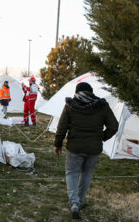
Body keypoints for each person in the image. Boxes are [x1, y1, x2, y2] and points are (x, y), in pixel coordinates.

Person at [54, 82, 118, 219]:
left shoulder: (70, 106)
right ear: (91, 92)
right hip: (94, 148)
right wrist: (101, 138)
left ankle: (74, 203)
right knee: (87, 173)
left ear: (77, 92)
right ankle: (81, 201)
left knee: (71, 173)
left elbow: (61, 128)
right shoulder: (102, 106)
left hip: (74, 147)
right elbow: (114, 126)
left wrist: (57, 144)